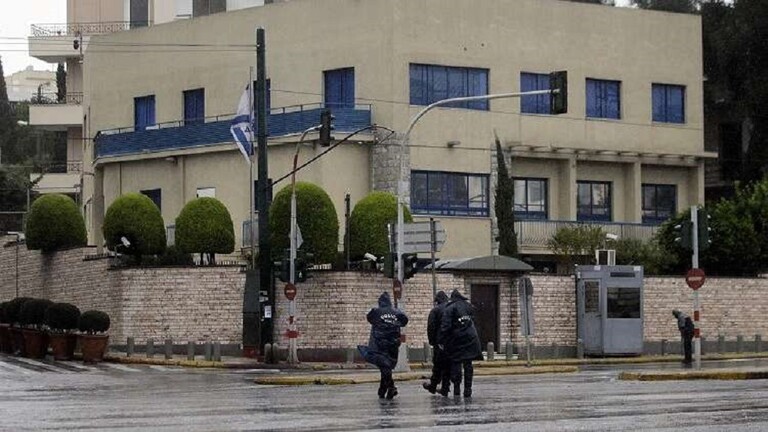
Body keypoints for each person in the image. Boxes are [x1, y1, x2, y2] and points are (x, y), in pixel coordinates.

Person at [358, 292, 408, 399]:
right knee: (386, 366)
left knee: (384, 366)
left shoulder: (376, 312)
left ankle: (390, 388)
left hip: (380, 344)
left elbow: (369, 318)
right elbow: (404, 320)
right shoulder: (397, 312)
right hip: (393, 344)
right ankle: (384, 389)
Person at [439, 289, 482, 398]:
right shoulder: (469, 306)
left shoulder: (450, 308)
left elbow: (445, 326)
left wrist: (441, 341)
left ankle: (457, 388)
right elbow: (475, 321)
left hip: (457, 339)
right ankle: (468, 389)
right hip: (471, 339)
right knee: (468, 364)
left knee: (456, 363)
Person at [422, 290, 451, 396]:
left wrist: (432, 341)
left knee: (438, 364)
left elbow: (431, 327)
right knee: (447, 365)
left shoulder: (435, 310)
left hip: (440, 342)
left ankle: (433, 385)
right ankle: (445, 387)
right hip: (451, 342)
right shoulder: (452, 308)